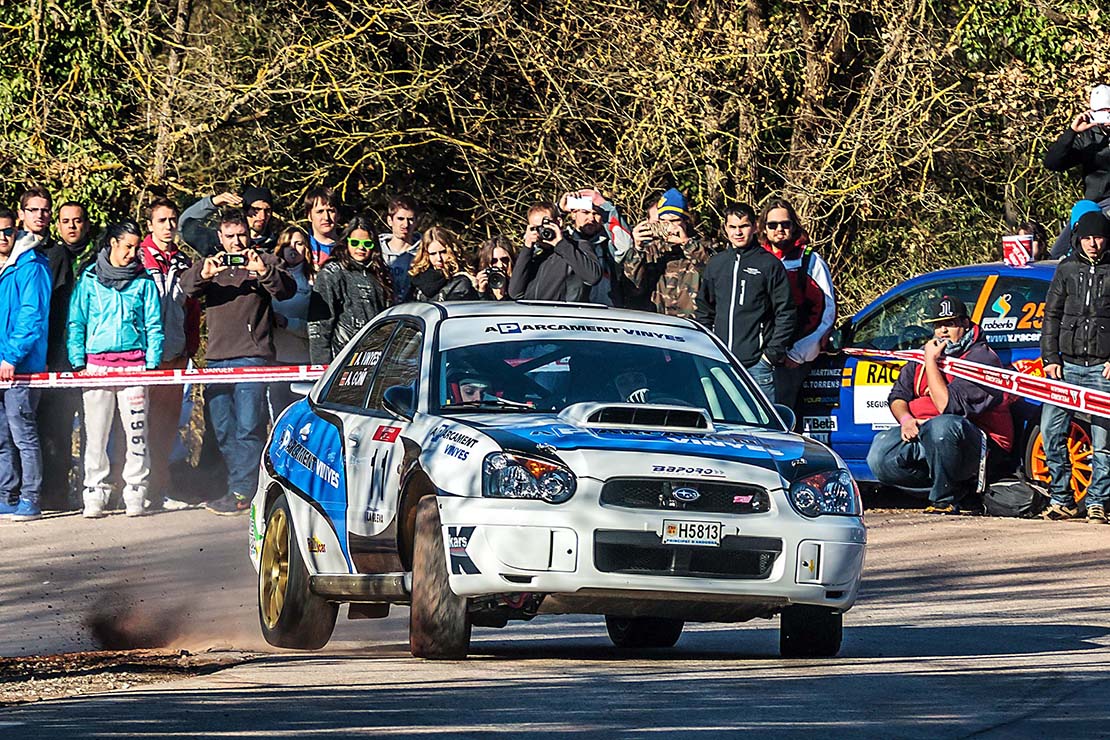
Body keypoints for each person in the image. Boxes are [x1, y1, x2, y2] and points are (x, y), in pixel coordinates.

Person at [181, 212, 296, 515]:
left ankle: (242, 492)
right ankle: (241, 483)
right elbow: (186, 288)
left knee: (248, 427)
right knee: (221, 427)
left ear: (249, 233)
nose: (236, 242)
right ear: (220, 237)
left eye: (241, 235)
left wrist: (263, 273)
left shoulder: (264, 261)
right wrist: (203, 274)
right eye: (229, 236)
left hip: (253, 356)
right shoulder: (212, 264)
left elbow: (286, 289)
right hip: (217, 358)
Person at [866, 295, 1013, 514]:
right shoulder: (924, 355)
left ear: (965, 324)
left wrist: (930, 362)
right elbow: (897, 396)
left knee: (942, 427)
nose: (943, 331)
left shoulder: (981, 358)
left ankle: (945, 499)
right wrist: (906, 421)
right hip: (931, 435)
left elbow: (948, 407)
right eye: (938, 325)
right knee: (880, 453)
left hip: (982, 445)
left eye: (950, 324)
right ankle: (958, 490)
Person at [67, 221, 165, 519]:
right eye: (127, 246)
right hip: (97, 366)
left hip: (134, 367)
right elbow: (77, 321)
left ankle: (136, 490)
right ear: (111, 243)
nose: (133, 253)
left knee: (137, 433)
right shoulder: (89, 279)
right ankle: (94, 492)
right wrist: (78, 362)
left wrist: (152, 364)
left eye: (137, 247)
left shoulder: (144, 282)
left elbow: (154, 325)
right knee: (95, 434)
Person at [1039, 211, 1110, 522]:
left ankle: (1097, 501)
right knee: (1050, 432)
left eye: (1097, 237)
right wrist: (1050, 359)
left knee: (1103, 442)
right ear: (1077, 239)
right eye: (1086, 237)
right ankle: (1062, 498)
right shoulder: (1066, 269)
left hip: (1102, 369)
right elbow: (1050, 317)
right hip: (1065, 367)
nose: (1092, 243)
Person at [696, 204, 795, 403]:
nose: (738, 232)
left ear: (755, 227)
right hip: (720, 364)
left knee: (762, 430)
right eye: (732, 227)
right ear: (725, 229)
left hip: (756, 366)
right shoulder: (716, 264)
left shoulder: (769, 264)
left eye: (744, 226)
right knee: (721, 426)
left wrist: (770, 356)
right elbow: (704, 309)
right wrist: (707, 349)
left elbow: (786, 312)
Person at [21, 186, 80, 511]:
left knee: (54, 426)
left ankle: (53, 493)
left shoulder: (58, 254)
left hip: (54, 352)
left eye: (45, 210)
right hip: (21, 352)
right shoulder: (14, 251)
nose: (40, 216)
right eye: (35, 210)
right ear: (23, 214)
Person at [141, 198, 201, 509]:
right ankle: (131, 488)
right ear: (149, 225)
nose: (169, 226)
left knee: (165, 424)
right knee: (136, 426)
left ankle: (159, 489)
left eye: (172, 220)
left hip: (174, 355)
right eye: (162, 220)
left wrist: (190, 347)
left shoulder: (183, 262)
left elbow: (192, 309)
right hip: (140, 357)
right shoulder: (138, 258)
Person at [758, 198, 836, 416]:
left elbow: (826, 312)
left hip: (790, 360)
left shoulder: (809, 260)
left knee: (778, 420)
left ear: (794, 226)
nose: (779, 230)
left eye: (785, 224)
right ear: (764, 228)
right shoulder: (755, 260)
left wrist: (798, 353)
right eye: (772, 225)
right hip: (756, 357)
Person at [0, 208, 51, 521]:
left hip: (21, 367)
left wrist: (10, 357)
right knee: (1, 437)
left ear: (15, 228)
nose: (2, 237)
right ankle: (6, 495)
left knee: (24, 436)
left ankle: (31, 499)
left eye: (6, 230)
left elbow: (31, 316)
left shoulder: (31, 264)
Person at [308, 214, 393, 363]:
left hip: (376, 357)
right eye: (355, 242)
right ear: (346, 243)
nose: (361, 248)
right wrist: (321, 366)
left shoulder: (380, 274)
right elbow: (320, 325)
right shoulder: (332, 273)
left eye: (367, 244)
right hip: (343, 357)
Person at [627, 188, 712, 319]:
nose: (668, 226)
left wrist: (686, 243)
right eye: (663, 221)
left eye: (673, 221)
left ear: (685, 221)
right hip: (657, 322)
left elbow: (711, 273)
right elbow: (633, 285)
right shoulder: (652, 250)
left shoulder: (702, 247)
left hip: (692, 323)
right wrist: (637, 247)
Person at [508, 202, 602, 302]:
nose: (542, 231)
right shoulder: (534, 257)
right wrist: (527, 248)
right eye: (536, 228)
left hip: (563, 315)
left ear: (558, 222)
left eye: (546, 225)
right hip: (534, 315)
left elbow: (593, 277)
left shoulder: (577, 247)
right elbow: (515, 293)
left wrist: (560, 244)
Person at [558, 188, 633, 306]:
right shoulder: (561, 241)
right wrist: (559, 211)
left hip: (603, 314)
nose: (591, 218)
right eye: (585, 212)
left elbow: (625, 246)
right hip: (567, 313)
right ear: (573, 214)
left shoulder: (608, 244)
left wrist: (605, 206)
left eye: (596, 213)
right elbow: (538, 247)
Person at [270, 225, 314, 415]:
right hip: (274, 361)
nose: (293, 249)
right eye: (288, 244)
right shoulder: (269, 278)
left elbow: (318, 328)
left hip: (305, 361)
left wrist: (288, 323)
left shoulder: (315, 280)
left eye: (299, 243)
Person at [1044, 84, 1110, 204]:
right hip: (1098, 205)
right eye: (1102, 113)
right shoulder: (1086, 137)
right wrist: (1072, 131)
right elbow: (1052, 163)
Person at [179, 186, 281, 257]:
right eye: (256, 210)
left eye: (267, 210)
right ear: (245, 211)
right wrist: (212, 202)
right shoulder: (218, 242)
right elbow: (184, 226)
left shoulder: (279, 245)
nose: (262, 216)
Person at [409, 227, 479, 302]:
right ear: (426, 255)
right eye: (433, 254)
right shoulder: (417, 279)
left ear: (452, 250)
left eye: (443, 252)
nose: (439, 258)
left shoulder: (462, 280)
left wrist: (481, 291)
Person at [378, 195, 420, 303]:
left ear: (416, 222)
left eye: (410, 219)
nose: (405, 224)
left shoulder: (424, 252)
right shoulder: (376, 251)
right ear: (390, 220)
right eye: (400, 219)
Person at [303, 187, 341, 266]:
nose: (326, 217)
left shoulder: (348, 247)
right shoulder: (301, 247)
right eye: (320, 211)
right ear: (309, 216)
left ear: (338, 215)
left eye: (331, 211)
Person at [56, 201, 96, 275]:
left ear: (87, 225)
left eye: (77, 221)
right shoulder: (50, 255)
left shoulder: (99, 254)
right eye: (65, 221)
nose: (71, 225)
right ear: (58, 226)